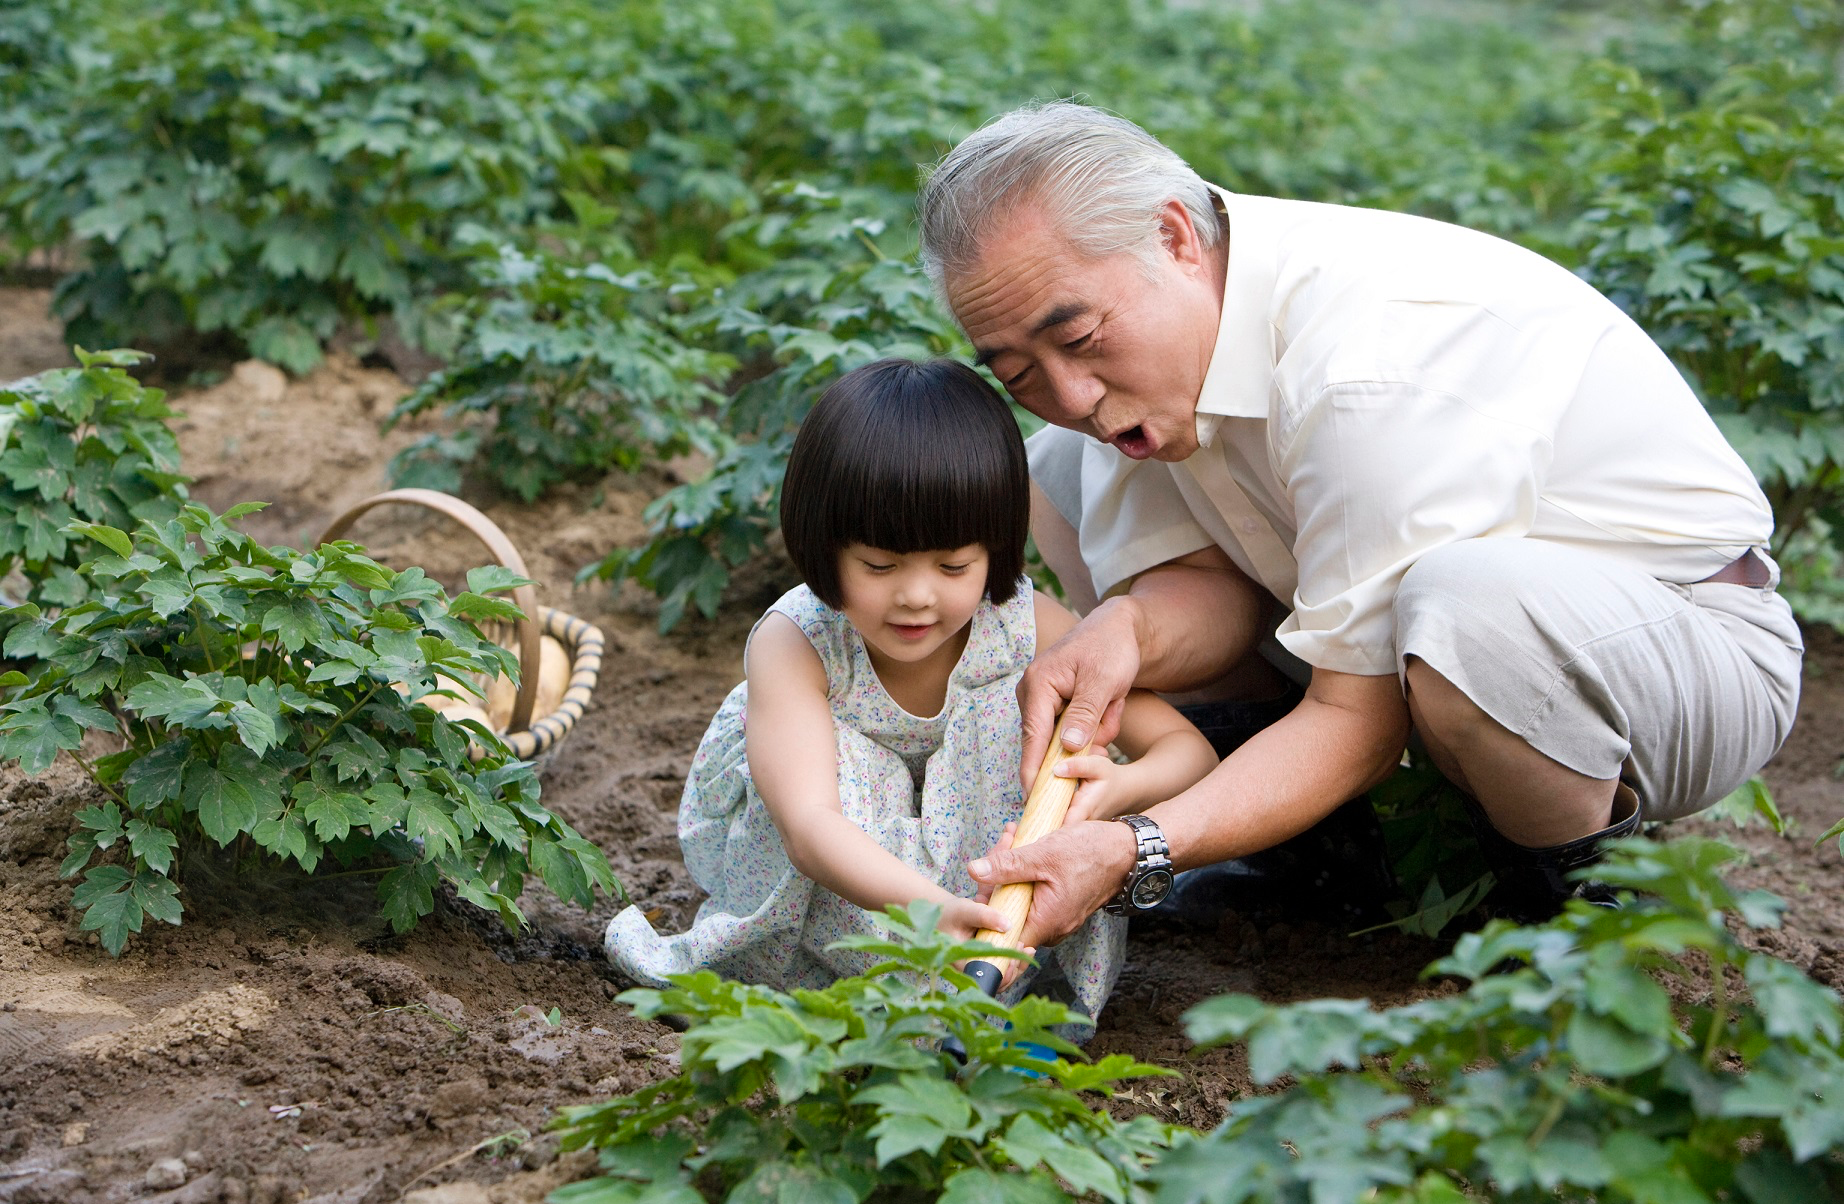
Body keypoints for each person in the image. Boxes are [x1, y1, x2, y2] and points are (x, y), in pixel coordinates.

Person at [915, 101, 1803, 935]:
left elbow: (1360, 722)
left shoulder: (1363, 365)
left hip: (1682, 644)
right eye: (1019, 373)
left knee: (1468, 613)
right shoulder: (1168, 343)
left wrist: (1140, 846)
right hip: (1438, 651)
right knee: (1058, 469)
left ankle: (1574, 915)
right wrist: (1126, 631)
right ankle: (1316, 862)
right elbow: (1204, 583)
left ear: (1174, 237)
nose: (1070, 394)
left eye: (1078, 339)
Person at [604, 357, 1217, 1031]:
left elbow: (1187, 751)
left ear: (994, 548)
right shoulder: (798, 641)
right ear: (826, 548)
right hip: (847, 891)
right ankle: (858, 993)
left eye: (954, 565)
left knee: (1042, 731)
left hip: (984, 901)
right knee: (848, 765)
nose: (918, 596)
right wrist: (928, 913)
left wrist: (1115, 788)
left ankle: (995, 991)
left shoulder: (1022, 625)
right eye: (879, 565)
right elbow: (810, 827)